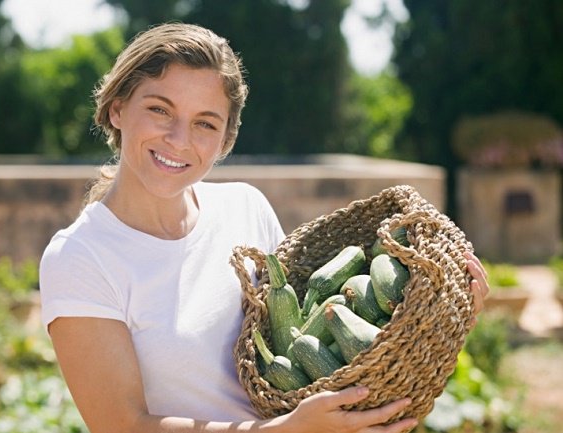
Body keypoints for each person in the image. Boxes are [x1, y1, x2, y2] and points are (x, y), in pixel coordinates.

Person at [39, 22, 490, 433]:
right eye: (160, 110)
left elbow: (300, 352)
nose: (179, 140)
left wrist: (440, 314)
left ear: (225, 139)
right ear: (117, 109)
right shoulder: (81, 258)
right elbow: (122, 425)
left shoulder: (245, 206)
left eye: (205, 123)